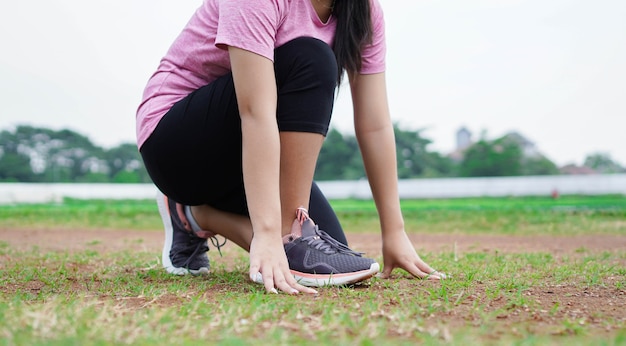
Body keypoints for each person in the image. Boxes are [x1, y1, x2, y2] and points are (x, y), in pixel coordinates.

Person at [137, 0, 444, 295]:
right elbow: (255, 112)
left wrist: (394, 232)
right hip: (177, 144)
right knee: (312, 56)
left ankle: (193, 216)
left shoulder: (363, 9)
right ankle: (289, 235)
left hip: (248, 151)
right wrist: (273, 232)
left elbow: (374, 124)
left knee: (329, 254)